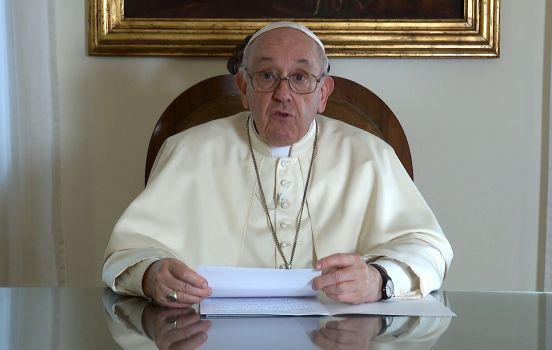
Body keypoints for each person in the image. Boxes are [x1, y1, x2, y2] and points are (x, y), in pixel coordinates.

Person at [102, 21, 453, 307]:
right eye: (267, 76)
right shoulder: (188, 151)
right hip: (209, 336)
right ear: (243, 88)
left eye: (300, 78)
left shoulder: (370, 156)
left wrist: (379, 280)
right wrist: (152, 275)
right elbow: (129, 251)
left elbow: (429, 248)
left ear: (323, 94)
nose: (283, 94)